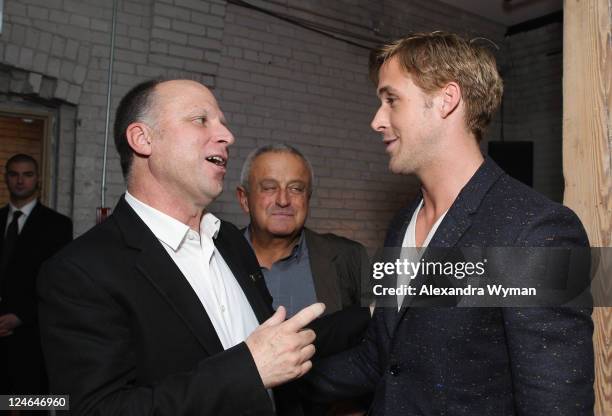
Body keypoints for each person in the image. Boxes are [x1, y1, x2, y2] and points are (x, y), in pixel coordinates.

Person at [308, 31, 594, 415]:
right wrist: (267, 379)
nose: (377, 120)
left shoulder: (536, 231)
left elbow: (554, 405)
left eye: (391, 100)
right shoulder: (402, 224)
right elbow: (381, 359)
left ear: (447, 100)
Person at [37, 79, 325, 416]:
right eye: (201, 120)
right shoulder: (80, 272)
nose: (227, 137)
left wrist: (377, 312)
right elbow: (95, 410)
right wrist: (248, 371)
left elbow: (276, 344)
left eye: (223, 123)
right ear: (143, 139)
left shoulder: (230, 240)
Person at [237, 144, 372, 415]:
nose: (284, 200)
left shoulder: (348, 257)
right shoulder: (217, 261)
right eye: (269, 187)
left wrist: (357, 403)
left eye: (296, 188)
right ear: (244, 199)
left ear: (308, 198)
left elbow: (377, 337)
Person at [0, 154, 72, 399]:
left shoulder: (58, 225)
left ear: (37, 179)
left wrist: (21, 316)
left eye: (27, 174)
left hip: (32, 339)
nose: (20, 181)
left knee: (31, 404)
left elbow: (58, 286)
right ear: (6, 178)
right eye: (14, 174)